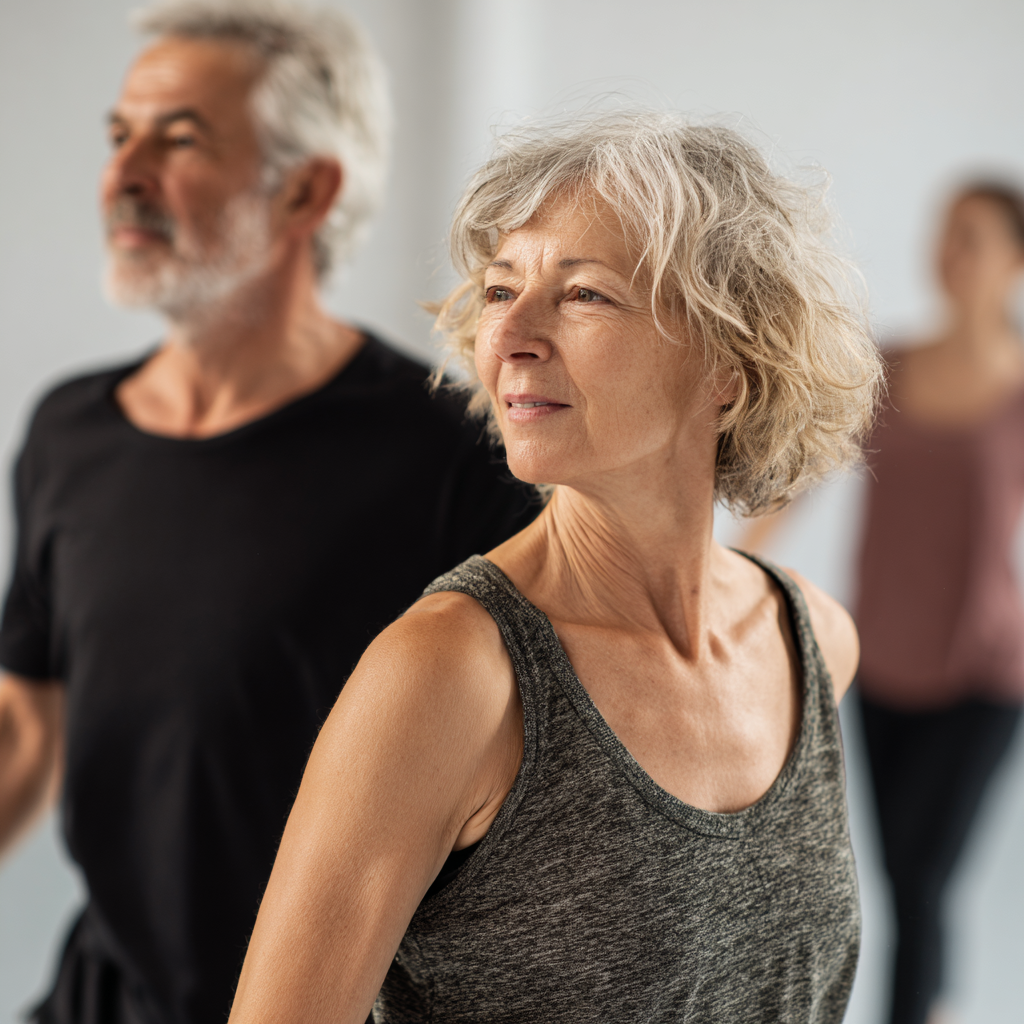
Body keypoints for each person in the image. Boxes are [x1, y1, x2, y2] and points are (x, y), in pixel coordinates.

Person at [226, 112, 883, 1024]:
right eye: (500, 291)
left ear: (728, 364)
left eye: (585, 295)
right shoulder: (452, 676)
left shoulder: (812, 639)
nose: (513, 337)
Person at [0, 2, 535, 1023]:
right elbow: (26, 724)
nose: (124, 174)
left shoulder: (455, 456)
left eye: (180, 137)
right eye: (120, 136)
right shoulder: (68, 434)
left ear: (306, 188)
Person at [853, 182, 1024, 1024]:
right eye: (943, 233)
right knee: (899, 882)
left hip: (985, 672)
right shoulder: (887, 370)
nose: (948, 252)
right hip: (879, 658)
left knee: (923, 881)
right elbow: (797, 482)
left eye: (971, 238)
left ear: (1014, 262)